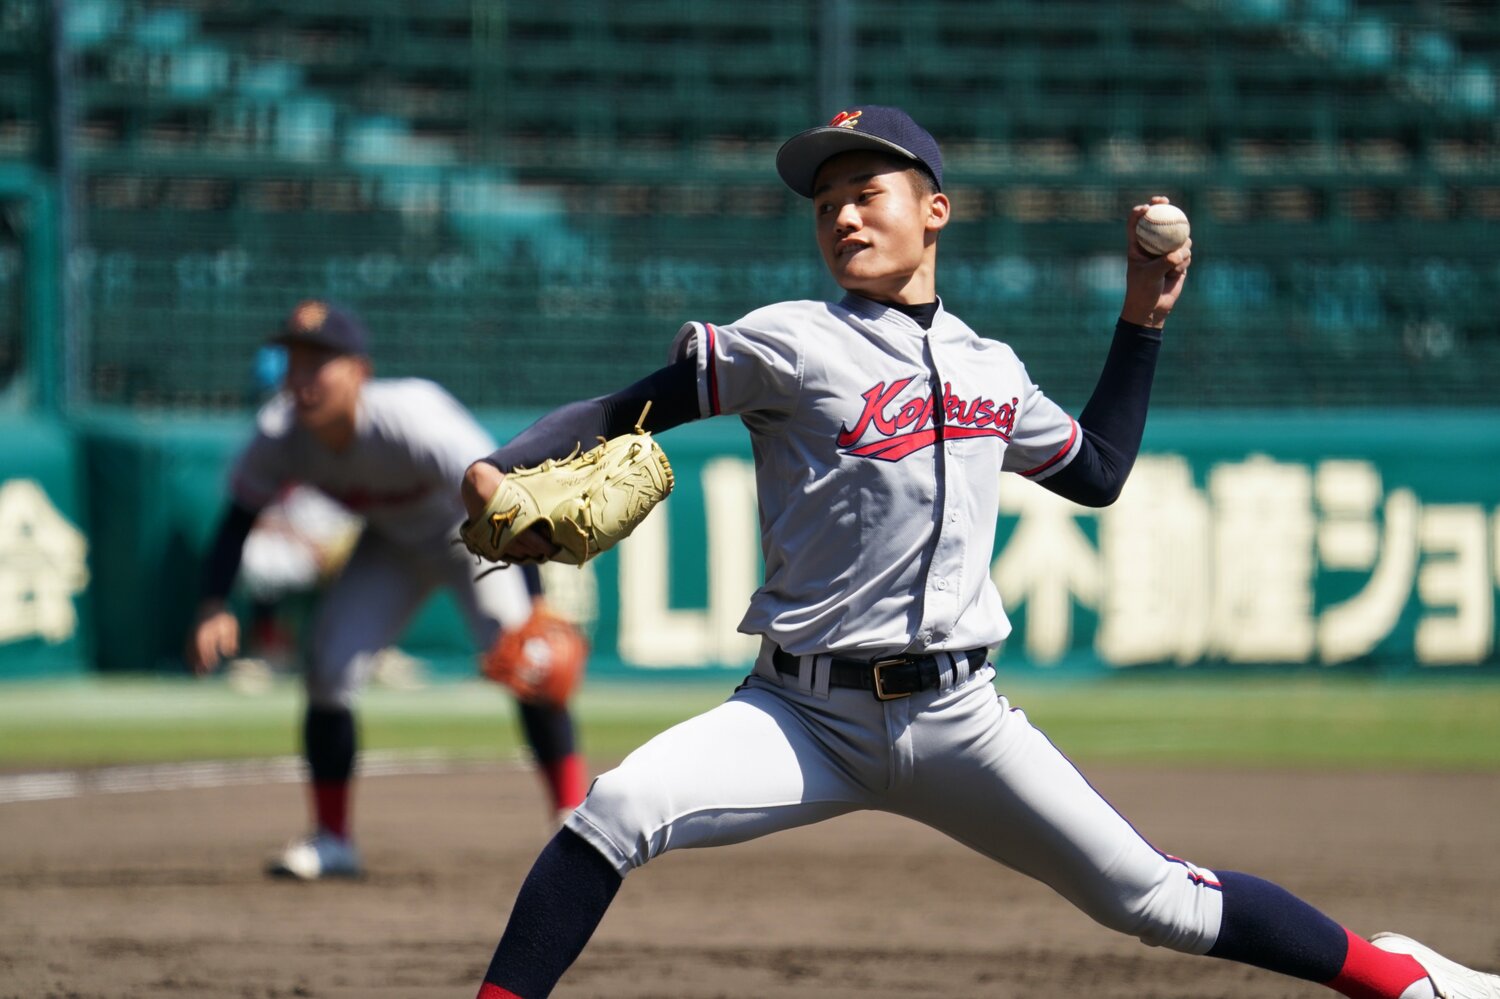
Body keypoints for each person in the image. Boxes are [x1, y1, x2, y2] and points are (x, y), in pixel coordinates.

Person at [459, 107, 1500, 998]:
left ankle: (1406, 980)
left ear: (936, 211)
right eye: (826, 207)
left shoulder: (991, 367)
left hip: (961, 718)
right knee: (616, 810)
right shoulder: (790, 339)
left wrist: (1142, 321)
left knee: (1157, 899)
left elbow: (1096, 472)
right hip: (801, 713)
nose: (843, 217)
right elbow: (624, 407)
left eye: (867, 194)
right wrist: (501, 467)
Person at [188, 300, 589, 880]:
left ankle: (574, 819)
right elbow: (237, 518)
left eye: (319, 362)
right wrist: (212, 604)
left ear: (359, 372)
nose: (303, 378)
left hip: (470, 532)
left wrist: (536, 602)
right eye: (295, 363)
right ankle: (332, 840)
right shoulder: (280, 432)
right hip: (390, 543)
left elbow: (503, 497)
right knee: (328, 669)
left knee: (531, 660)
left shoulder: (413, 417)